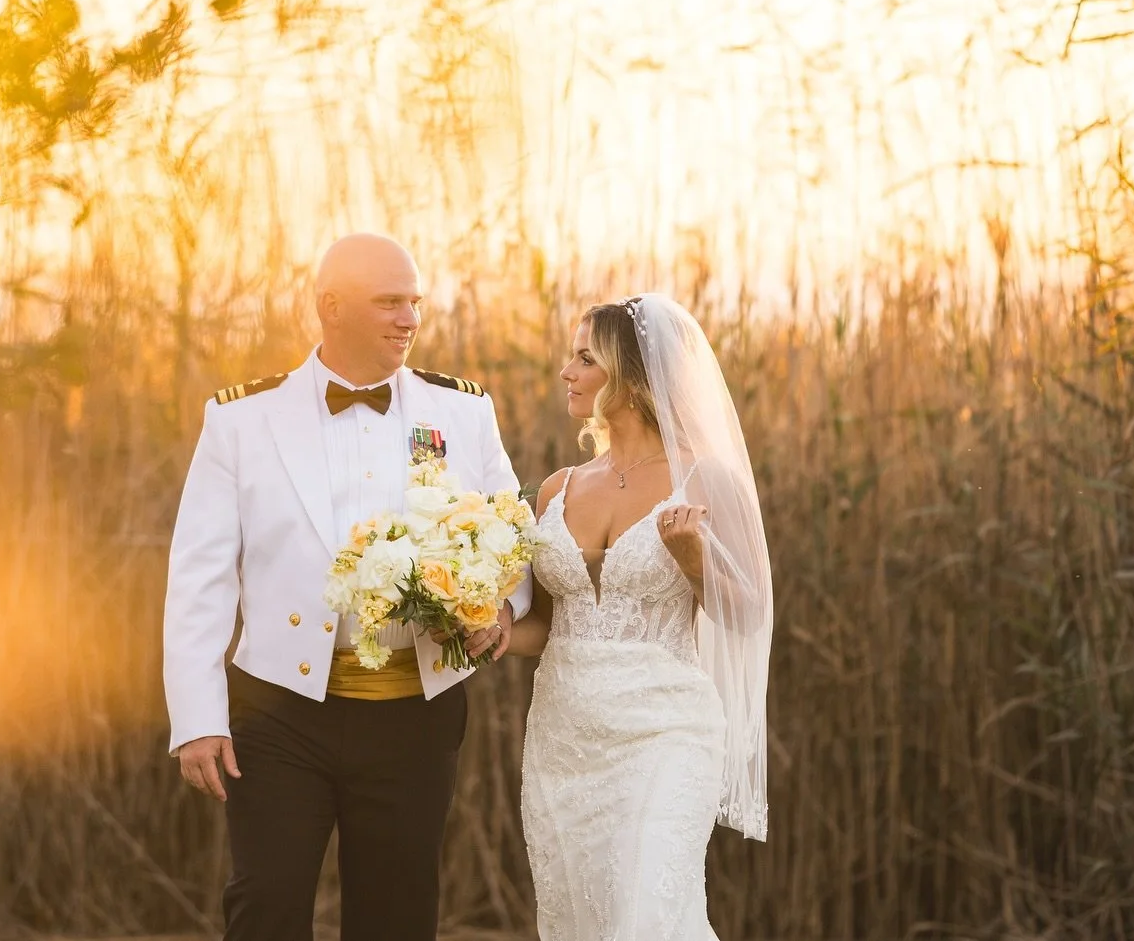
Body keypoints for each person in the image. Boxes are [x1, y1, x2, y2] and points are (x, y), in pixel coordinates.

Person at [163, 233, 532, 941]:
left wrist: (503, 609)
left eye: (415, 302)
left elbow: (511, 533)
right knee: (265, 905)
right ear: (330, 307)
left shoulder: (461, 412)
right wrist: (198, 715)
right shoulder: (240, 419)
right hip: (278, 715)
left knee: (396, 918)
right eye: (389, 302)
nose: (409, 319)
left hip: (414, 718)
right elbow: (199, 572)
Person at [485, 294, 772, 941]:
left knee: (648, 916)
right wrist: (500, 632)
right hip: (565, 744)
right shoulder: (558, 488)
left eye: (586, 358)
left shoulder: (705, 478)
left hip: (665, 733)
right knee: (582, 923)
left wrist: (694, 558)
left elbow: (751, 611)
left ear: (634, 377)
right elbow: (547, 625)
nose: (567, 371)